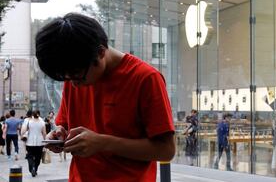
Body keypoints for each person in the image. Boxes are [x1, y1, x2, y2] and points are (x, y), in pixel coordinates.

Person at [35, 13, 175, 182]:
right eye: (67, 78)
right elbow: (63, 124)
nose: (73, 85)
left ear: (100, 52)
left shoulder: (145, 79)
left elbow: (166, 150)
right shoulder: (74, 77)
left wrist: (102, 143)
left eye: (77, 76)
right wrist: (58, 135)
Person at [21, 110, 46, 177]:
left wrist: (23, 135)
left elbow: (23, 131)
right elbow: (44, 133)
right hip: (40, 143)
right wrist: (45, 141)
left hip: (30, 142)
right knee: (38, 157)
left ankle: (32, 168)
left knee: (30, 156)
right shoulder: (42, 122)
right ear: (39, 114)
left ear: (32, 115)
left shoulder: (29, 122)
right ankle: (35, 168)